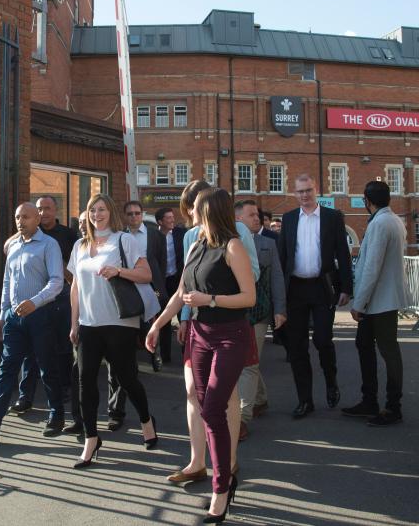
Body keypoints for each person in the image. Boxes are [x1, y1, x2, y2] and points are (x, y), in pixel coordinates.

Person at [149, 188, 255, 523]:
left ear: (210, 211)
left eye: (196, 208)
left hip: (230, 336)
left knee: (212, 408)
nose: (190, 212)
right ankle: (218, 474)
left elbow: (248, 297)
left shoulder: (232, 246)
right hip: (199, 335)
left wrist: (210, 300)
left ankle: (221, 486)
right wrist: (158, 325)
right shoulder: (195, 244)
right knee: (201, 401)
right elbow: (181, 293)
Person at [69, 194, 158, 469]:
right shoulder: (79, 245)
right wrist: (74, 324)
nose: (97, 214)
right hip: (89, 324)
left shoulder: (124, 240)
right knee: (85, 381)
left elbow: (146, 275)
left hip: (119, 322)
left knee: (127, 378)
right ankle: (91, 438)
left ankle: (146, 420)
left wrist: (118, 270)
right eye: (93, 210)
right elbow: (75, 287)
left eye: (102, 209)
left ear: (111, 212)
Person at [0, 202, 65, 440]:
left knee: (47, 368)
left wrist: (35, 302)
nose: (21, 221)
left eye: (26, 217)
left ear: (37, 219)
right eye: (17, 217)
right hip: (14, 319)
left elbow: (57, 281)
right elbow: (8, 283)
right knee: (6, 370)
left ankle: (56, 415)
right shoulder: (14, 247)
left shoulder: (49, 245)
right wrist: (2, 315)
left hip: (40, 316)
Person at [277, 174, 352, 418]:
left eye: (308, 190)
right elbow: (282, 258)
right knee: (297, 348)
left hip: (322, 287)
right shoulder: (288, 219)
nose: (304, 195)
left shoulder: (332, 218)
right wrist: (279, 294)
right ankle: (305, 400)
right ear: (294, 193)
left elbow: (343, 253)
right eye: (299, 192)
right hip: (295, 289)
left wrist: (346, 288)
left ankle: (331, 382)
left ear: (316, 189)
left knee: (322, 340)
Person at [343, 180, 408, 426]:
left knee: (388, 351)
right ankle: (369, 400)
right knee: (365, 345)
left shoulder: (380, 223)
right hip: (380, 299)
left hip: (379, 301)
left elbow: (372, 267)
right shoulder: (393, 220)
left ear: (366, 201)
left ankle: (393, 407)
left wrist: (359, 303)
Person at [12, 195, 79, 423]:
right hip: (32, 303)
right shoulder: (29, 232)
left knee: (61, 347)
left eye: (47, 208)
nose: (43, 213)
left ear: (55, 210)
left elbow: (75, 271)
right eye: (39, 209)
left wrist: (61, 268)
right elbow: (7, 248)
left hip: (59, 298)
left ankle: (64, 388)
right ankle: (25, 395)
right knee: (30, 353)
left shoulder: (68, 235)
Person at [106, 200, 168, 431]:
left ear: (142, 215)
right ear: (124, 216)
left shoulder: (154, 236)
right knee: (122, 359)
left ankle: (154, 354)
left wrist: (158, 291)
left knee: (151, 330)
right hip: (127, 297)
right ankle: (116, 410)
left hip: (151, 290)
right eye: (129, 213)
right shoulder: (118, 237)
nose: (133, 217)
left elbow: (160, 263)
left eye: (137, 213)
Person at [234, 200, 285, 441]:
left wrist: (280, 310)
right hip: (235, 311)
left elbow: (277, 277)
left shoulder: (268, 243)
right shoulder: (231, 244)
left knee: (247, 363)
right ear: (238, 219)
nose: (258, 218)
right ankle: (261, 399)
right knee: (248, 360)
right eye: (251, 215)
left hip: (260, 312)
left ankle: (243, 418)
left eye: (258, 215)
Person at [155, 206, 186, 365]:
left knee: (183, 317)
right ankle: (165, 356)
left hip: (177, 279)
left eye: (172, 217)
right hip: (161, 282)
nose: (172, 220)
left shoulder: (181, 234)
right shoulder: (154, 236)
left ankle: (186, 353)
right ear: (160, 221)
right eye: (168, 218)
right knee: (164, 318)